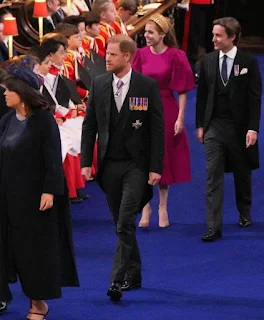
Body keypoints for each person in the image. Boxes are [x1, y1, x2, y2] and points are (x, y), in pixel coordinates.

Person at [81, 34, 164, 301]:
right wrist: (85, 162)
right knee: (122, 224)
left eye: (113, 54)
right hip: (108, 167)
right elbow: (89, 125)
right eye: (107, 53)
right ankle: (135, 272)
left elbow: (157, 130)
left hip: (136, 166)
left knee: (126, 221)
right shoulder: (99, 83)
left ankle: (117, 280)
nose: (107, 58)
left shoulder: (147, 86)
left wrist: (155, 167)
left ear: (127, 57)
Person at [0, 58, 79, 318]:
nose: (4, 93)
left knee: (32, 252)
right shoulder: (7, 120)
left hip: (35, 200)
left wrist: (49, 191)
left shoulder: (43, 121)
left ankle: (38, 304)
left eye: (8, 89)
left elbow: (52, 159)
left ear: (22, 93)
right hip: (7, 198)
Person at [196, 17, 262, 242]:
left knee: (242, 173)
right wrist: (200, 125)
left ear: (232, 37)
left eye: (218, 35)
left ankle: (244, 212)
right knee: (212, 174)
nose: (213, 39)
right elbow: (202, 96)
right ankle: (214, 226)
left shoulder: (248, 62)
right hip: (214, 125)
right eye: (213, 35)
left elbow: (255, 98)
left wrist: (253, 128)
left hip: (240, 128)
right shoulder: (208, 60)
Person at [132, 13, 195, 228]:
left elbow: (184, 90)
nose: (146, 35)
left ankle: (163, 207)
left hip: (167, 107)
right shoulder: (140, 54)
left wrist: (180, 117)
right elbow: (134, 87)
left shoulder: (176, 56)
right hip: (143, 108)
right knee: (142, 157)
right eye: (146, 32)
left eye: (151, 32)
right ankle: (146, 207)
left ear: (163, 34)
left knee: (163, 157)